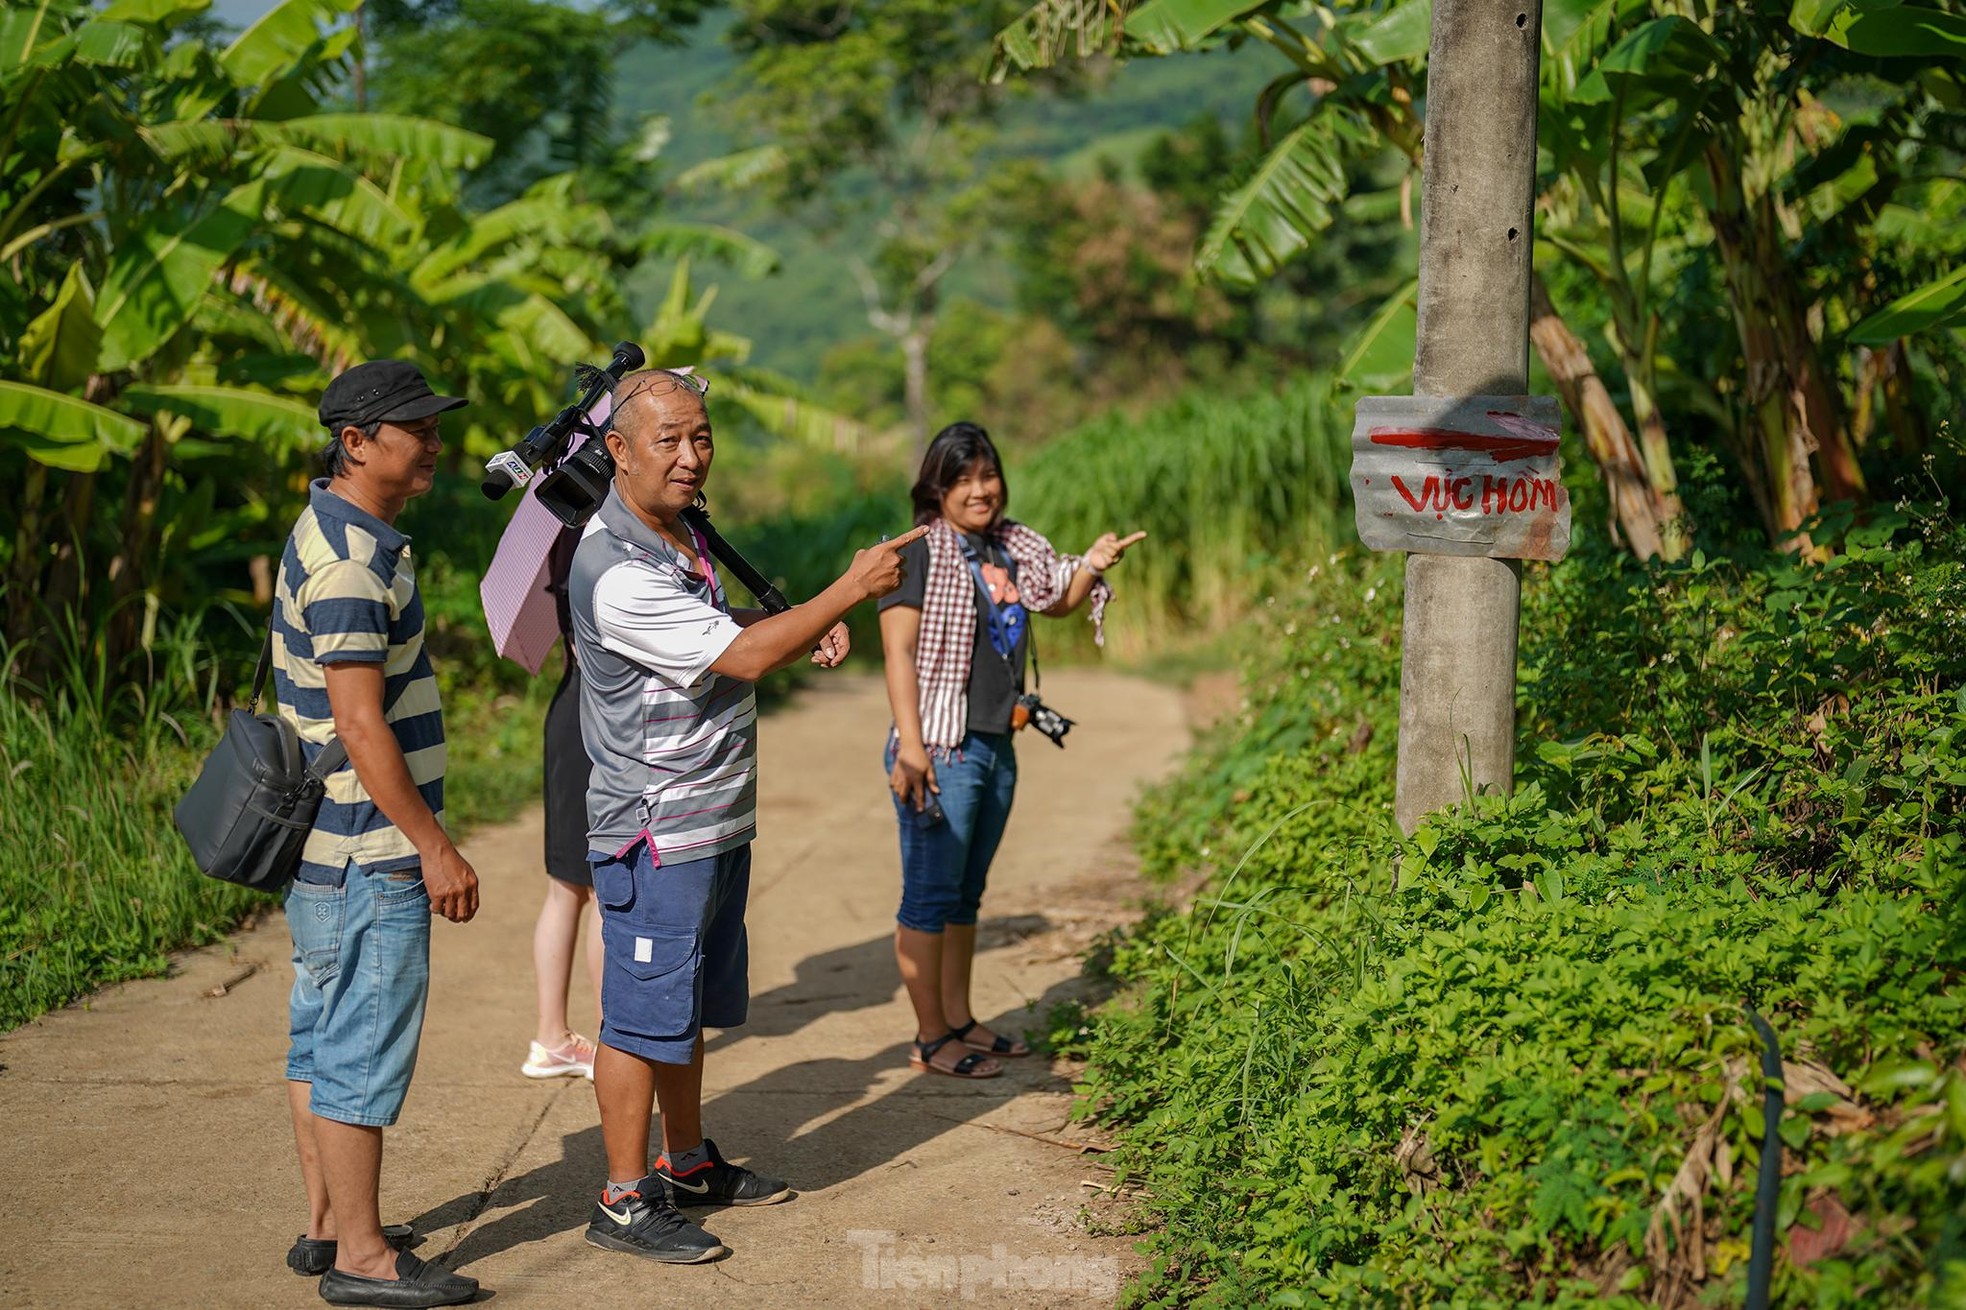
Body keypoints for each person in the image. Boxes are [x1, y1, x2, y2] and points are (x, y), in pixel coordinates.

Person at [568, 367, 926, 1265]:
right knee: (637, 1017)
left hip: (712, 817)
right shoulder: (613, 568)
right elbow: (743, 655)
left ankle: (685, 1161)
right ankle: (620, 1198)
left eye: (702, 438)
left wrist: (804, 623)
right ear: (617, 451)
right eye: (669, 441)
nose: (692, 458)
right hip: (656, 828)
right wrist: (845, 592)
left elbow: (723, 631)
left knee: (680, 1007)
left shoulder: (678, 534)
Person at [275, 360, 483, 1308]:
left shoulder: (337, 530)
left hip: (326, 849)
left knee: (320, 1038)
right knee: (361, 1046)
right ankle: (363, 1260)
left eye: (435, 425)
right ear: (356, 443)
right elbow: (361, 726)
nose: (434, 442)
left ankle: (329, 1223)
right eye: (416, 428)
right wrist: (432, 845)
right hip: (367, 849)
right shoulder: (353, 563)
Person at [877, 421, 1142, 1079]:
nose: (980, 490)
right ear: (936, 487)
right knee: (930, 896)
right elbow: (898, 652)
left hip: (997, 741)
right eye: (962, 479)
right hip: (941, 746)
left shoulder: (1011, 546)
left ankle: (960, 1018)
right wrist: (911, 747)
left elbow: (1056, 599)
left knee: (966, 895)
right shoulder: (914, 552)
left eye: (987, 476)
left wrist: (1091, 565)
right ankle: (932, 1036)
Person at [521, 525, 603, 1082]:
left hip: (568, 709)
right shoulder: (607, 532)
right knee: (599, 888)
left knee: (567, 887)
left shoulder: (559, 531)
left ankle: (553, 1036)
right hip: (598, 718)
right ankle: (610, 1042)